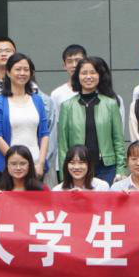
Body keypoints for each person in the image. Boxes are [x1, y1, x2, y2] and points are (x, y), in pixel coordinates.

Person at [57, 56, 126, 185]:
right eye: (84, 73)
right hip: (77, 168)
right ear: (77, 76)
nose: (88, 77)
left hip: (106, 168)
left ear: (99, 76)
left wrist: (121, 170)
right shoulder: (67, 106)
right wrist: (63, 176)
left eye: (93, 72)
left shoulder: (110, 104)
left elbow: (118, 140)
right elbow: (63, 145)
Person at [0, 53, 50, 179]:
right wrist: (16, 163)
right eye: (18, 69)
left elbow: (44, 134)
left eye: (26, 69)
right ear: (8, 72)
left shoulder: (37, 100)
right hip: (9, 167)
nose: (22, 73)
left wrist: (40, 163)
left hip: (35, 166)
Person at [48, 44, 87, 160]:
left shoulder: (97, 92)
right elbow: (55, 129)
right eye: (69, 61)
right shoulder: (57, 94)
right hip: (68, 155)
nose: (74, 65)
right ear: (64, 66)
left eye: (78, 60)